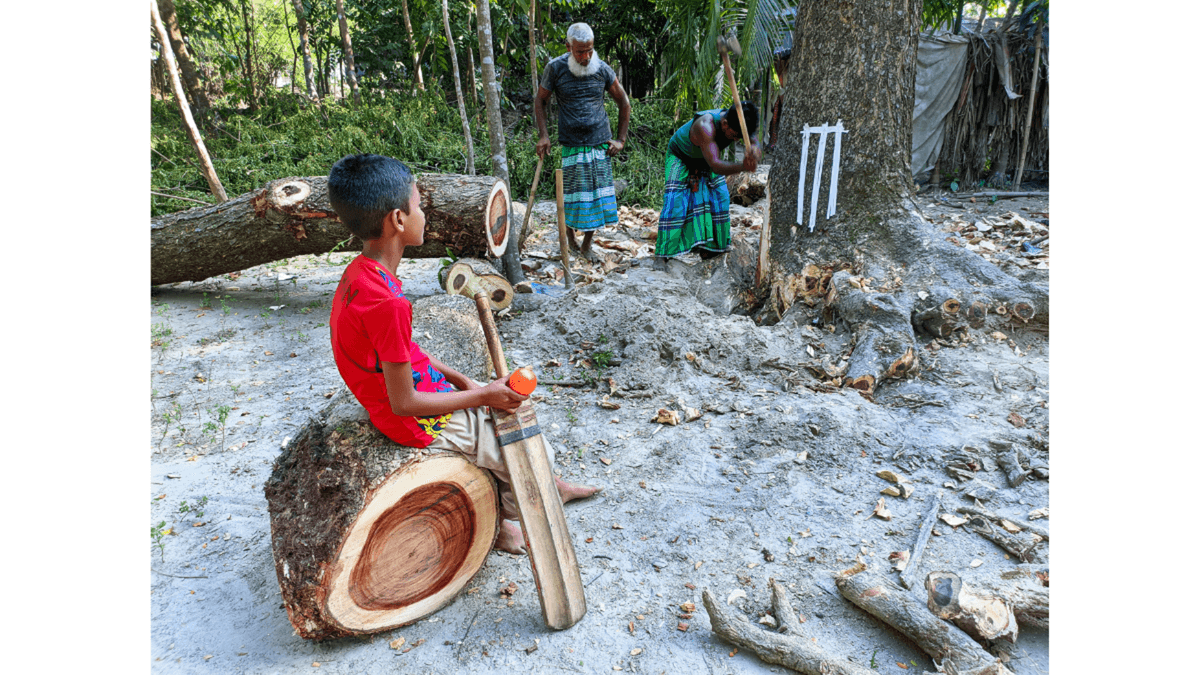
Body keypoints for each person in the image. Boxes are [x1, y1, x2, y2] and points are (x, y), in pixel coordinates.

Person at [326, 153, 599, 555]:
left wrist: (463, 381)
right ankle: (503, 522)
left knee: (505, 414)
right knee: (518, 449)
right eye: (419, 206)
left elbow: (401, 352)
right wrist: (484, 396)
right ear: (399, 220)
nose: (425, 214)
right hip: (413, 422)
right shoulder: (387, 303)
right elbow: (404, 403)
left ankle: (552, 484)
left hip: (412, 391)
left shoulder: (360, 274)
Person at [534, 22, 631, 262]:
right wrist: (543, 135)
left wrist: (621, 139)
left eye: (589, 50)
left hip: (600, 143)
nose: (586, 56)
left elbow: (624, 102)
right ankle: (570, 239)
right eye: (580, 51)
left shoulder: (603, 69)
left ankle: (587, 245)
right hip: (572, 144)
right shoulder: (555, 68)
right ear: (568, 46)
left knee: (596, 198)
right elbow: (540, 101)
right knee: (572, 196)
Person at [654, 102, 760, 264]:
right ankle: (662, 255)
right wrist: (743, 167)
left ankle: (711, 248)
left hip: (706, 159)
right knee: (675, 202)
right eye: (734, 136)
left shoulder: (741, 123)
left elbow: (753, 142)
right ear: (725, 124)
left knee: (720, 197)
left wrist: (755, 152)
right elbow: (716, 166)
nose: (737, 140)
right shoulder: (705, 126)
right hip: (682, 156)